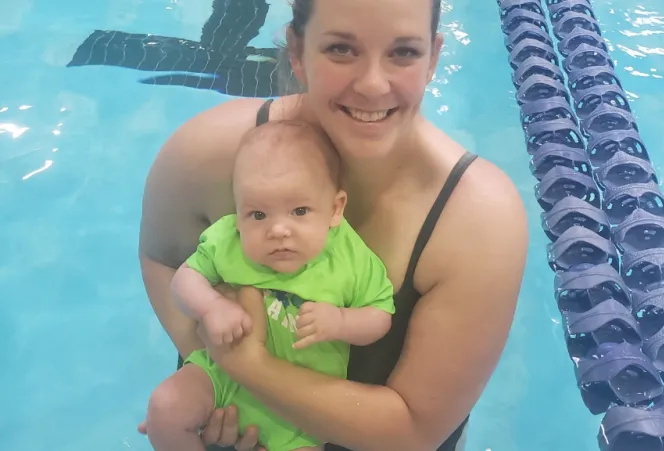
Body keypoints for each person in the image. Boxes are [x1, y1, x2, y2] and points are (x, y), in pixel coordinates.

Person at [137, 0, 529, 449]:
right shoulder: (209, 152)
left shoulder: (477, 219)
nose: (372, 84)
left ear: (434, 58)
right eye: (341, 49)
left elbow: (414, 433)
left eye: (403, 52)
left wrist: (248, 368)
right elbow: (161, 257)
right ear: (297, 51)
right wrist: (223, 396)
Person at [142, 120, 397, 451]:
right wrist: (212, 306)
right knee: (165, 407)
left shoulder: (350, 257)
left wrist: (341, 322)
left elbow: (380, 315)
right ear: (238, 210)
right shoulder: (228, 239)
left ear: (335, 209)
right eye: (258, 215)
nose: (278, 230)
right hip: (223, 378)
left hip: (303, 403)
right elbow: (184, 280)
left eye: (299, 211)